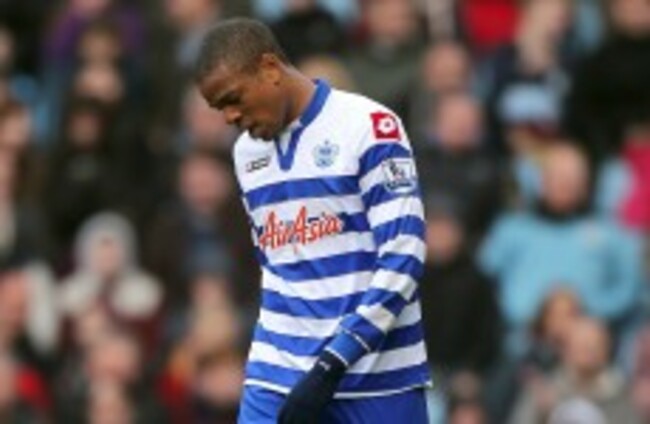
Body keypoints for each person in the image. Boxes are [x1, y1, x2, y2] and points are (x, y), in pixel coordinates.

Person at [194, 18, 430, 424]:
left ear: (270, 68)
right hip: (276, 373)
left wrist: (333, 362)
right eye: (220, 108)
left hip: (377, 376)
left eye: (233, 98)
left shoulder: (369, 126)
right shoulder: (247, 154)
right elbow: (278, 266)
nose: (230, 117)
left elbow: (404, 255)